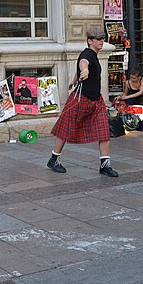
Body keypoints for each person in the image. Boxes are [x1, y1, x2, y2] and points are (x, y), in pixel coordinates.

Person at [48, 26, 118, 177]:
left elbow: (81, 69)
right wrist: (84, 70)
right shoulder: (87, 54)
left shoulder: (94, 54)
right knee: (65, 128)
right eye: (98, 39)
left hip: (96, 100)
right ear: (89, 41)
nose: (101, 41)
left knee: (104, 131)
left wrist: (74, 79)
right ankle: (54, 159)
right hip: (80, 99)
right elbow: (83, 63)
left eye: (102, 38)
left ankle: (105, 165)